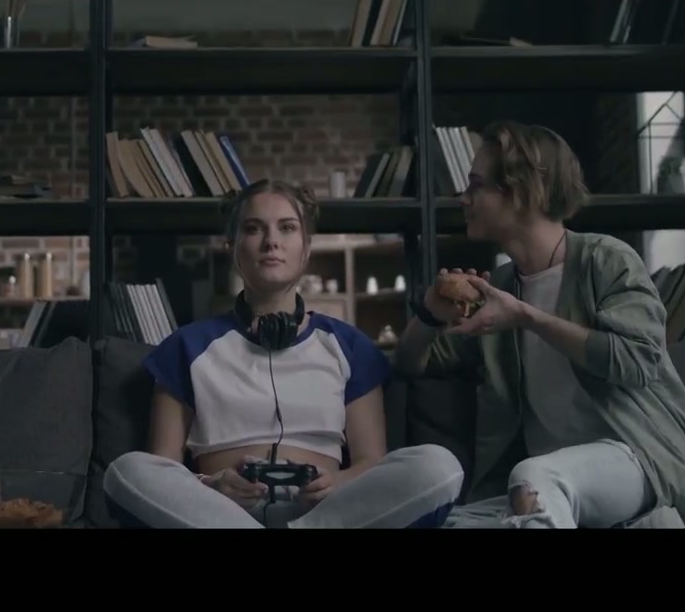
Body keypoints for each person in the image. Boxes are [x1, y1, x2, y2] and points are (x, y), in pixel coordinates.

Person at [394, 120, 685, 529]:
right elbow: (411, 364)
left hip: (637, 462)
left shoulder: (605, 260)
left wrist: (526, 317)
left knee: (533, 477)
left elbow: (636, 361)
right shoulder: (500, 288)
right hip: (555, 489)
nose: (463, 198)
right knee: (450, 524)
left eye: (475, 185)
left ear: (522, 191)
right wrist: (430, 314)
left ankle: (646, 517)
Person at [103, 179, 465, 528]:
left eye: (287, 228)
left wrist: (338, 483)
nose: (271, 241)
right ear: (232, 246)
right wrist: (211, 484)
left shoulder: (350, 346)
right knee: (126, 471)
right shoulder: (186, 346)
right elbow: (164, 467)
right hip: (218, 515)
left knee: (439, 466)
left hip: (326, 513)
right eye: (254, 229)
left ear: (306, 248)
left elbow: (371, 461)